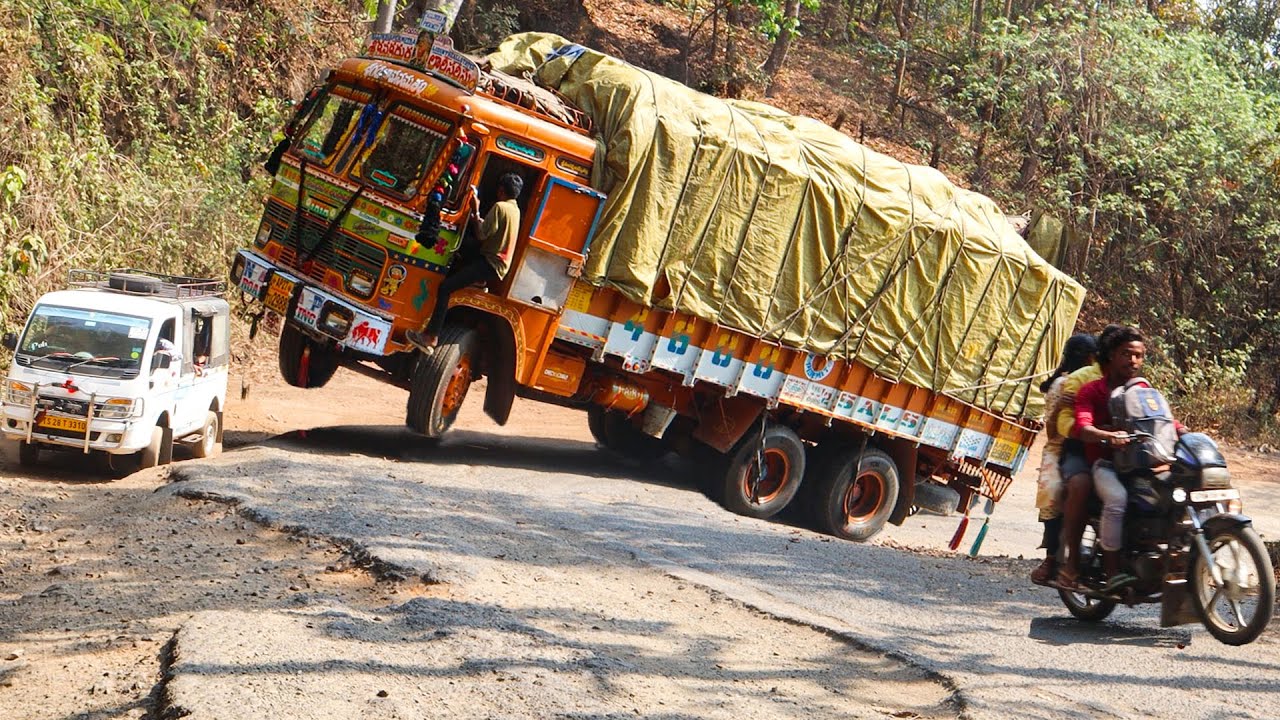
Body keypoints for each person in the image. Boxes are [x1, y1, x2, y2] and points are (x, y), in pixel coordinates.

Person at [1066, 325, 1184, 593]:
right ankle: (1111, 571)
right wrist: (1105, 436)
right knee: (1117, 499)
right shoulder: (1091, 391)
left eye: (1139, 355)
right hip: (1106, 466)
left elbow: (1162, 420)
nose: (1133, 361)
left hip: (1143, 464)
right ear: (1110, 356)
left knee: (1177, 493)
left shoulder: (1144, 390)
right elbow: (1082, 427)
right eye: (1126, 354)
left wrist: (1183, 431)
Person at [407, 172, 523, 351]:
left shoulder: (500, 206)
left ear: (500, 190)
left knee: (445, 287)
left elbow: (481, 234)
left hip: (490, 263)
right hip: (495, 263)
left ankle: (430, 336)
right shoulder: (514, 209)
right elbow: (491, 230)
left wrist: (476, 209)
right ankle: (476, 281)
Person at [1030, 332, 1097, 586]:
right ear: (1090, 358)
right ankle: (1051, 558)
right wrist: (1062, 407)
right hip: (1060, 448)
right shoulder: (1062, 385)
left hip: (1090, 446)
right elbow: (1052, 432)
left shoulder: (1101, 381)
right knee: (1052, 492)